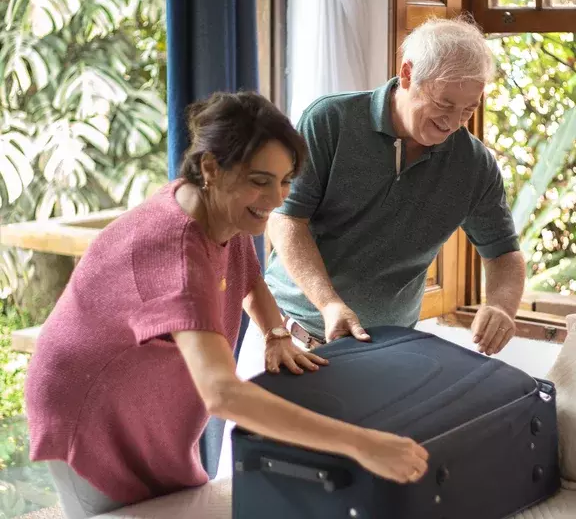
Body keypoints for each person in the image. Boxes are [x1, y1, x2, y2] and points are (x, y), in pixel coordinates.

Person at [25, 91, 429, 519]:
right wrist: (363, 444)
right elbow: (222, 394)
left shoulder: (221, 212)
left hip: (148, 399)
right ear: (211, 168)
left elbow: (249, 279)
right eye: (260, 180)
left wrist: (275, 334)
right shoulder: (176, 250)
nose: (276, 199)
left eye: (286, 180)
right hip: (89, 405)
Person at [266, 17, 526, 357]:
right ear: (407, 74)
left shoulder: (474, 164)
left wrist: (502, 306)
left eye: (468, 110)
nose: (453, 123)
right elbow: (286, 220)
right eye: (444, 104)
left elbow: (504, 253)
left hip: (387, 350)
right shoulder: (330, 120)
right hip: (293, 337)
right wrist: (329, 304)